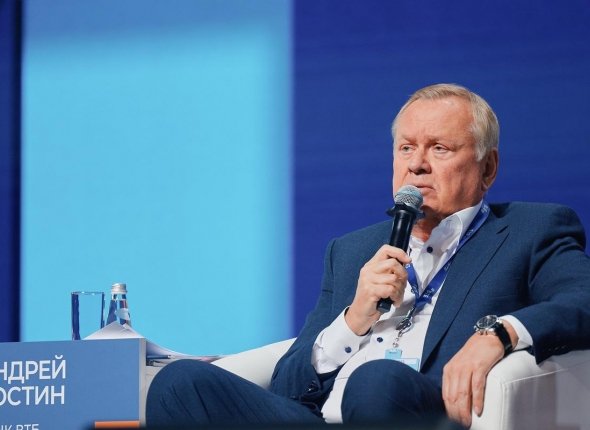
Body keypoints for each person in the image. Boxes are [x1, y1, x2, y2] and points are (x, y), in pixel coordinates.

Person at [146, 84, 590, 428]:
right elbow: (287, 387)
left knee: (376, 379)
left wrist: (498, 333)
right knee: (180, 383)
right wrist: (352, 320)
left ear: (487, 168)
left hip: (422, 414)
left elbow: (582, 301)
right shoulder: (352, 250)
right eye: (406, 148)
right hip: (321, 418)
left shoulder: (529, 231)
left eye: (439, 148)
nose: (416, 165)